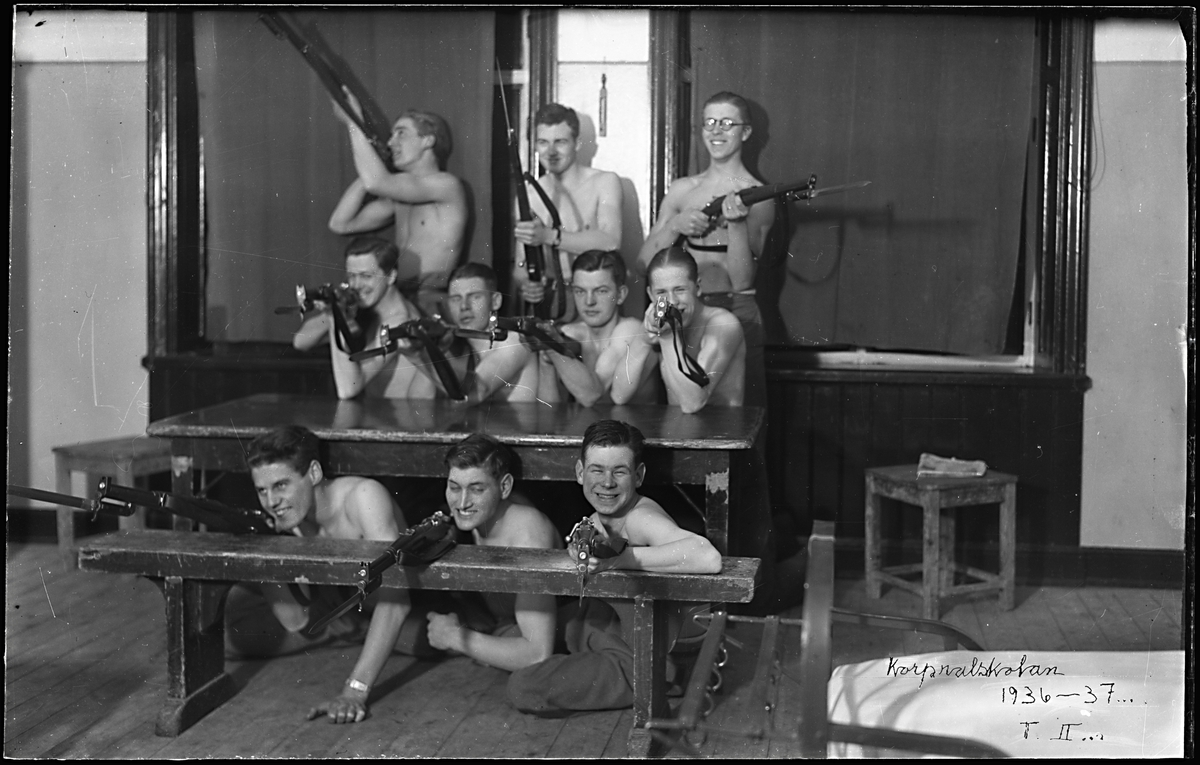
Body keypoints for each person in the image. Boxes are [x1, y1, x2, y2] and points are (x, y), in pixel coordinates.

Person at [507, 420, 721, 715]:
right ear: (580, 472)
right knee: (524, 632)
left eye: (619, 471)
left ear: (638, 476)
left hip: (644, 656)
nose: (607, 482)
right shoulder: (598, 519)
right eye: (597, 470)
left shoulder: (640, 517)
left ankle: (660, 680)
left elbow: (708, 557)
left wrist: (623, 559)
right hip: (612, 631)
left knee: (523, 685)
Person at [225, 426, 434, 724]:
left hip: (397, 608)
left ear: (313, 473)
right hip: (342, 611)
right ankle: (349, 635)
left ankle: (358, 638)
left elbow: (396, 602)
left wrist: (355, 691)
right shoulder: (291, 515)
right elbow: (295, 620)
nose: (271, 502)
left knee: (436, 639)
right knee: (229, 638)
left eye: (281, 485)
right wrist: (269, 546)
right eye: (262, 490)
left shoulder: (363, 498)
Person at [637, 91, 773, 408]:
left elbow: (742, 281)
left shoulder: (758, 195)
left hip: (736, 308)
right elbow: (643, 264)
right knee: (684, 405)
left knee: (738, 410)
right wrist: (675, 225)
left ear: (746, 132)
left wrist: (736, 225)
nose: (716, 131)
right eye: (710, 122)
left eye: (727, 123)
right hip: (683, 307)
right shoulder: (683, 190)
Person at [424, 435, 562, 671]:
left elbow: (537, 654)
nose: (462, 503)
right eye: (454, 487)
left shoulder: (529, 533)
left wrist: (455, 637)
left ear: (504, 487)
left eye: (477, 489)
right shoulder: (474, 516)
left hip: (554, 632)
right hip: (501, 622)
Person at [328, 92, 468, 318]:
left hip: (428, 301)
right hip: (393, 296)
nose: (391, 142)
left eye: (401, 133)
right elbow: (340, 223)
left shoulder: (447, 185)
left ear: (428, 140)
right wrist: (377, 163)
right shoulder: (399, 197)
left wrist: (353, 122)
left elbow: (376, 182)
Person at [511, 103, 624, 317]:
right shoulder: (530, 195)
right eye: (543, 142)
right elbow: (520, 264)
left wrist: (549, 236)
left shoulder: (604, 182)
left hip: (597, 297)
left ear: (577, 143)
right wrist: (526, 284)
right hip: (552, 299)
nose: (551, 152)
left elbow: (610, 241)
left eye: (560, 142)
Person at [292, 236, 431, 400]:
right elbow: (300, 341)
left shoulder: (400, 322)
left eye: (366, 276)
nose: (356, 285)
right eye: (352, 276)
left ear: (391, 276)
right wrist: (332, 308)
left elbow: (348, 389)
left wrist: (335, 318)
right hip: (377, 409)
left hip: (399, 413)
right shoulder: (369, 307)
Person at [535, 250, 659, 407]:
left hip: (637, 422)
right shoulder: (568, 333)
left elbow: (593, 396)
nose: (589, 301)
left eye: (601, 291)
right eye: (580, 291)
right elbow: (548, 412)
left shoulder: (630, 330)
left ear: (620, 295)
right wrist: (546, 362)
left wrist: (554, 350)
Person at [642, 246, 746, 413]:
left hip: (724, 427)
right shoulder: (658, 323)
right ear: (651, 295)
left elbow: (694, 403)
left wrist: (667, 337)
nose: (672, 301)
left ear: (697, 287)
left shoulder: (723, 324)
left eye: (680, 290)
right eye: (661, 293)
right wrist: (645, 340)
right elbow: (619, 396)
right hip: (678, 427)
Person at [426, 262, 546, 405]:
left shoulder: (514, 342)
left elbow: (477, 392)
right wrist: (428, 347)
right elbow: (417, 399)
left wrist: (418, 356)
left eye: (475, 297)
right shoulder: (455, 345)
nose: (464, 306)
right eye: (456, 299)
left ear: (495, 301)